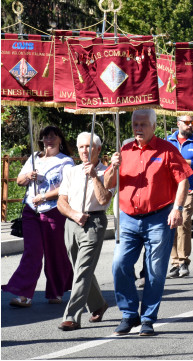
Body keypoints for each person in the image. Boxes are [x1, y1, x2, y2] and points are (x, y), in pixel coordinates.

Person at [105, 109, 193, 337]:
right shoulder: (123, 150)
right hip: (128, 218)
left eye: (143, 124)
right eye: (135, 124)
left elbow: (183, 180)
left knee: (155, 271)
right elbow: (108, 184)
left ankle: (147, 319)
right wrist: (113, 166)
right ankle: (128, 313)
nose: (138, 128)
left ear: (153, 126)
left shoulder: (167, 150)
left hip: (158, 218)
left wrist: (178, 208)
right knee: (119, 264)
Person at [2, 126, 74, 308]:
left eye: (52, 136)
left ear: (59, 139)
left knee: (55, 252)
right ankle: (23, 294)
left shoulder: (65, 162)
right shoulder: (34, 158)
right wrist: (28, 175)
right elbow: (19, 180)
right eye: (45, 137)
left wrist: (44, 196)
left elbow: (67, 187)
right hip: (31, 211)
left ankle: (56, 291)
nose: (49, 140)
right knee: (32, 251)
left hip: (54, 210)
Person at [56, 132, 113, 331]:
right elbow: (61, 201)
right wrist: (73, 214)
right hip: (72, 222)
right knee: (80, 268)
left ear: (97, 149)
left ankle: (71, 316)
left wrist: (95, 176)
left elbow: (105, 199)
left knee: (82, 271)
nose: (83, 150)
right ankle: (98, 304)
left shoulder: (108, 171)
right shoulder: (71, 171)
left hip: (94, 221)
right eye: (80, 147)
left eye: (88, 147)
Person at [166, 115, 193, 279]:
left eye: (192, 123)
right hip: (170, 189)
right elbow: (164, 161)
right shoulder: (169, 141)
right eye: (187, 123)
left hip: (190, 188)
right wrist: (184, 161)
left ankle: (184, 261)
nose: (191, 126)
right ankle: (174, 263)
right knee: (171, 225)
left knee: (183, 222)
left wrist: (176, 160)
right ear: (178, 124)